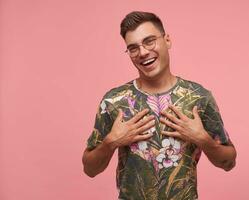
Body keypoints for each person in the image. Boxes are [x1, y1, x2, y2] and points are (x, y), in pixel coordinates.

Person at [82, 11, 237, 200]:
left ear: (167, 40)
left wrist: (202, 139)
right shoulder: (114, 101)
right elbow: (90, 169)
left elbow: (229, 162)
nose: (143, 52)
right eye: (133, 48)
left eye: (149, 41)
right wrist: (111, 142)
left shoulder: (198, 97)